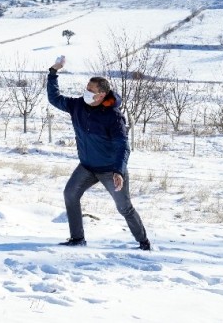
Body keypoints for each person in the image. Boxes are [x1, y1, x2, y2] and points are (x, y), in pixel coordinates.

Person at [47, 56, 151, 251]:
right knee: (70, 194)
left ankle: (144, 243)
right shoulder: (77, 106)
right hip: (87, 167)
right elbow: (55, 99)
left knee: (124, 207)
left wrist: (119, 171)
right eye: (86, 88)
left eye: (90, 90)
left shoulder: (113, 117)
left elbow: (123, 145)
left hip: (110, 170)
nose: (85, 92)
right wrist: (53, 72)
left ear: (102, 94)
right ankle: (77, 238)